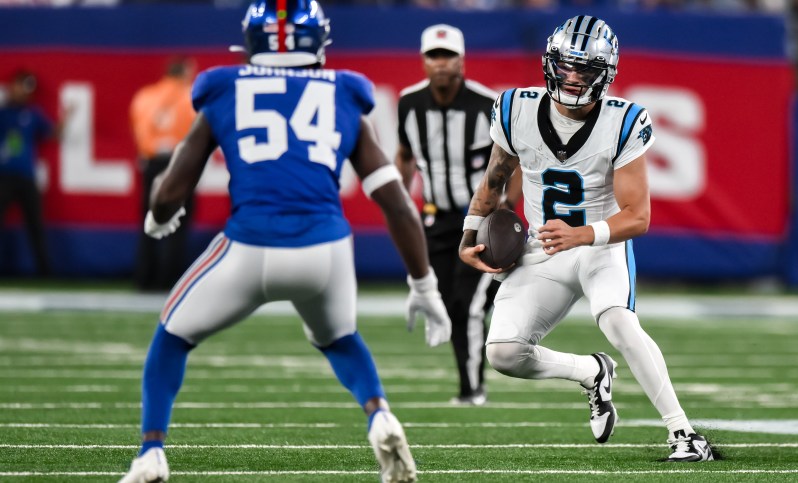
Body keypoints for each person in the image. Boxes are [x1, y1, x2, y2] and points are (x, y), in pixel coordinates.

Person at [118, 1, 451, 482]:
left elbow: (171, 190)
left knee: (171, 337)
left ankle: (151, 453)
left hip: (249, 247)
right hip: (326, 251)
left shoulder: (223, 87)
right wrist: (424, 287)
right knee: (339, 338)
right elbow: (397, 204)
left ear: (251, 41)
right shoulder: (344, 94)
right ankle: (380, 414)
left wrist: (156, 219)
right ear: (317, 39)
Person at [458, 16, 715, 462]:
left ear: (607, 75)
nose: (574, 79)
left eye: (586, 71)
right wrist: (469, 233)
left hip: (600, 246)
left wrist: (584, 234)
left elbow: (638, 217)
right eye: (566, 67)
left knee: (618, 320)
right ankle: (591, 371)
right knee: (502, 353)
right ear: (549, 65)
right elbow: (494, 180)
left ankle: (685, 435)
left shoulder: (623, 121)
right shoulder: (514, 108)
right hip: (544, 248)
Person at [395, 24, 521, 406]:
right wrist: (400, 202)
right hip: (434, 219)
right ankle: (472, 379)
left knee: (466, 305)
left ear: (462, 60)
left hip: (479, 221)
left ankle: (472, 391)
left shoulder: (488, 103)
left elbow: (515, 164)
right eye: (434, 55)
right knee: (448, 303)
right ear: (423, 60)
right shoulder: (409, 103)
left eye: (448, 55)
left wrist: (506, 210)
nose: (441, 63)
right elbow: (403, 155)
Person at [129, 56, 197, 291]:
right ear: (185, 72)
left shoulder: (145, 96)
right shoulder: (190, 95)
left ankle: (144, 278)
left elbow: (138, 129)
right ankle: (169, 280)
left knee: (150, 220)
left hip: (152, 163)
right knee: (177, 224)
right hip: (180, 163)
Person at [0, 70, 64, 277]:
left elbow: (52, 133)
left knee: (36, 224)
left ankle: (44, 271)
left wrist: (66, 119)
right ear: (13, 85)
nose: (25, 91)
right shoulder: (3, 111)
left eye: (29, 88)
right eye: (22, 85)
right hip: (4, 176)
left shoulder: (33, 113)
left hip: (26, 176)